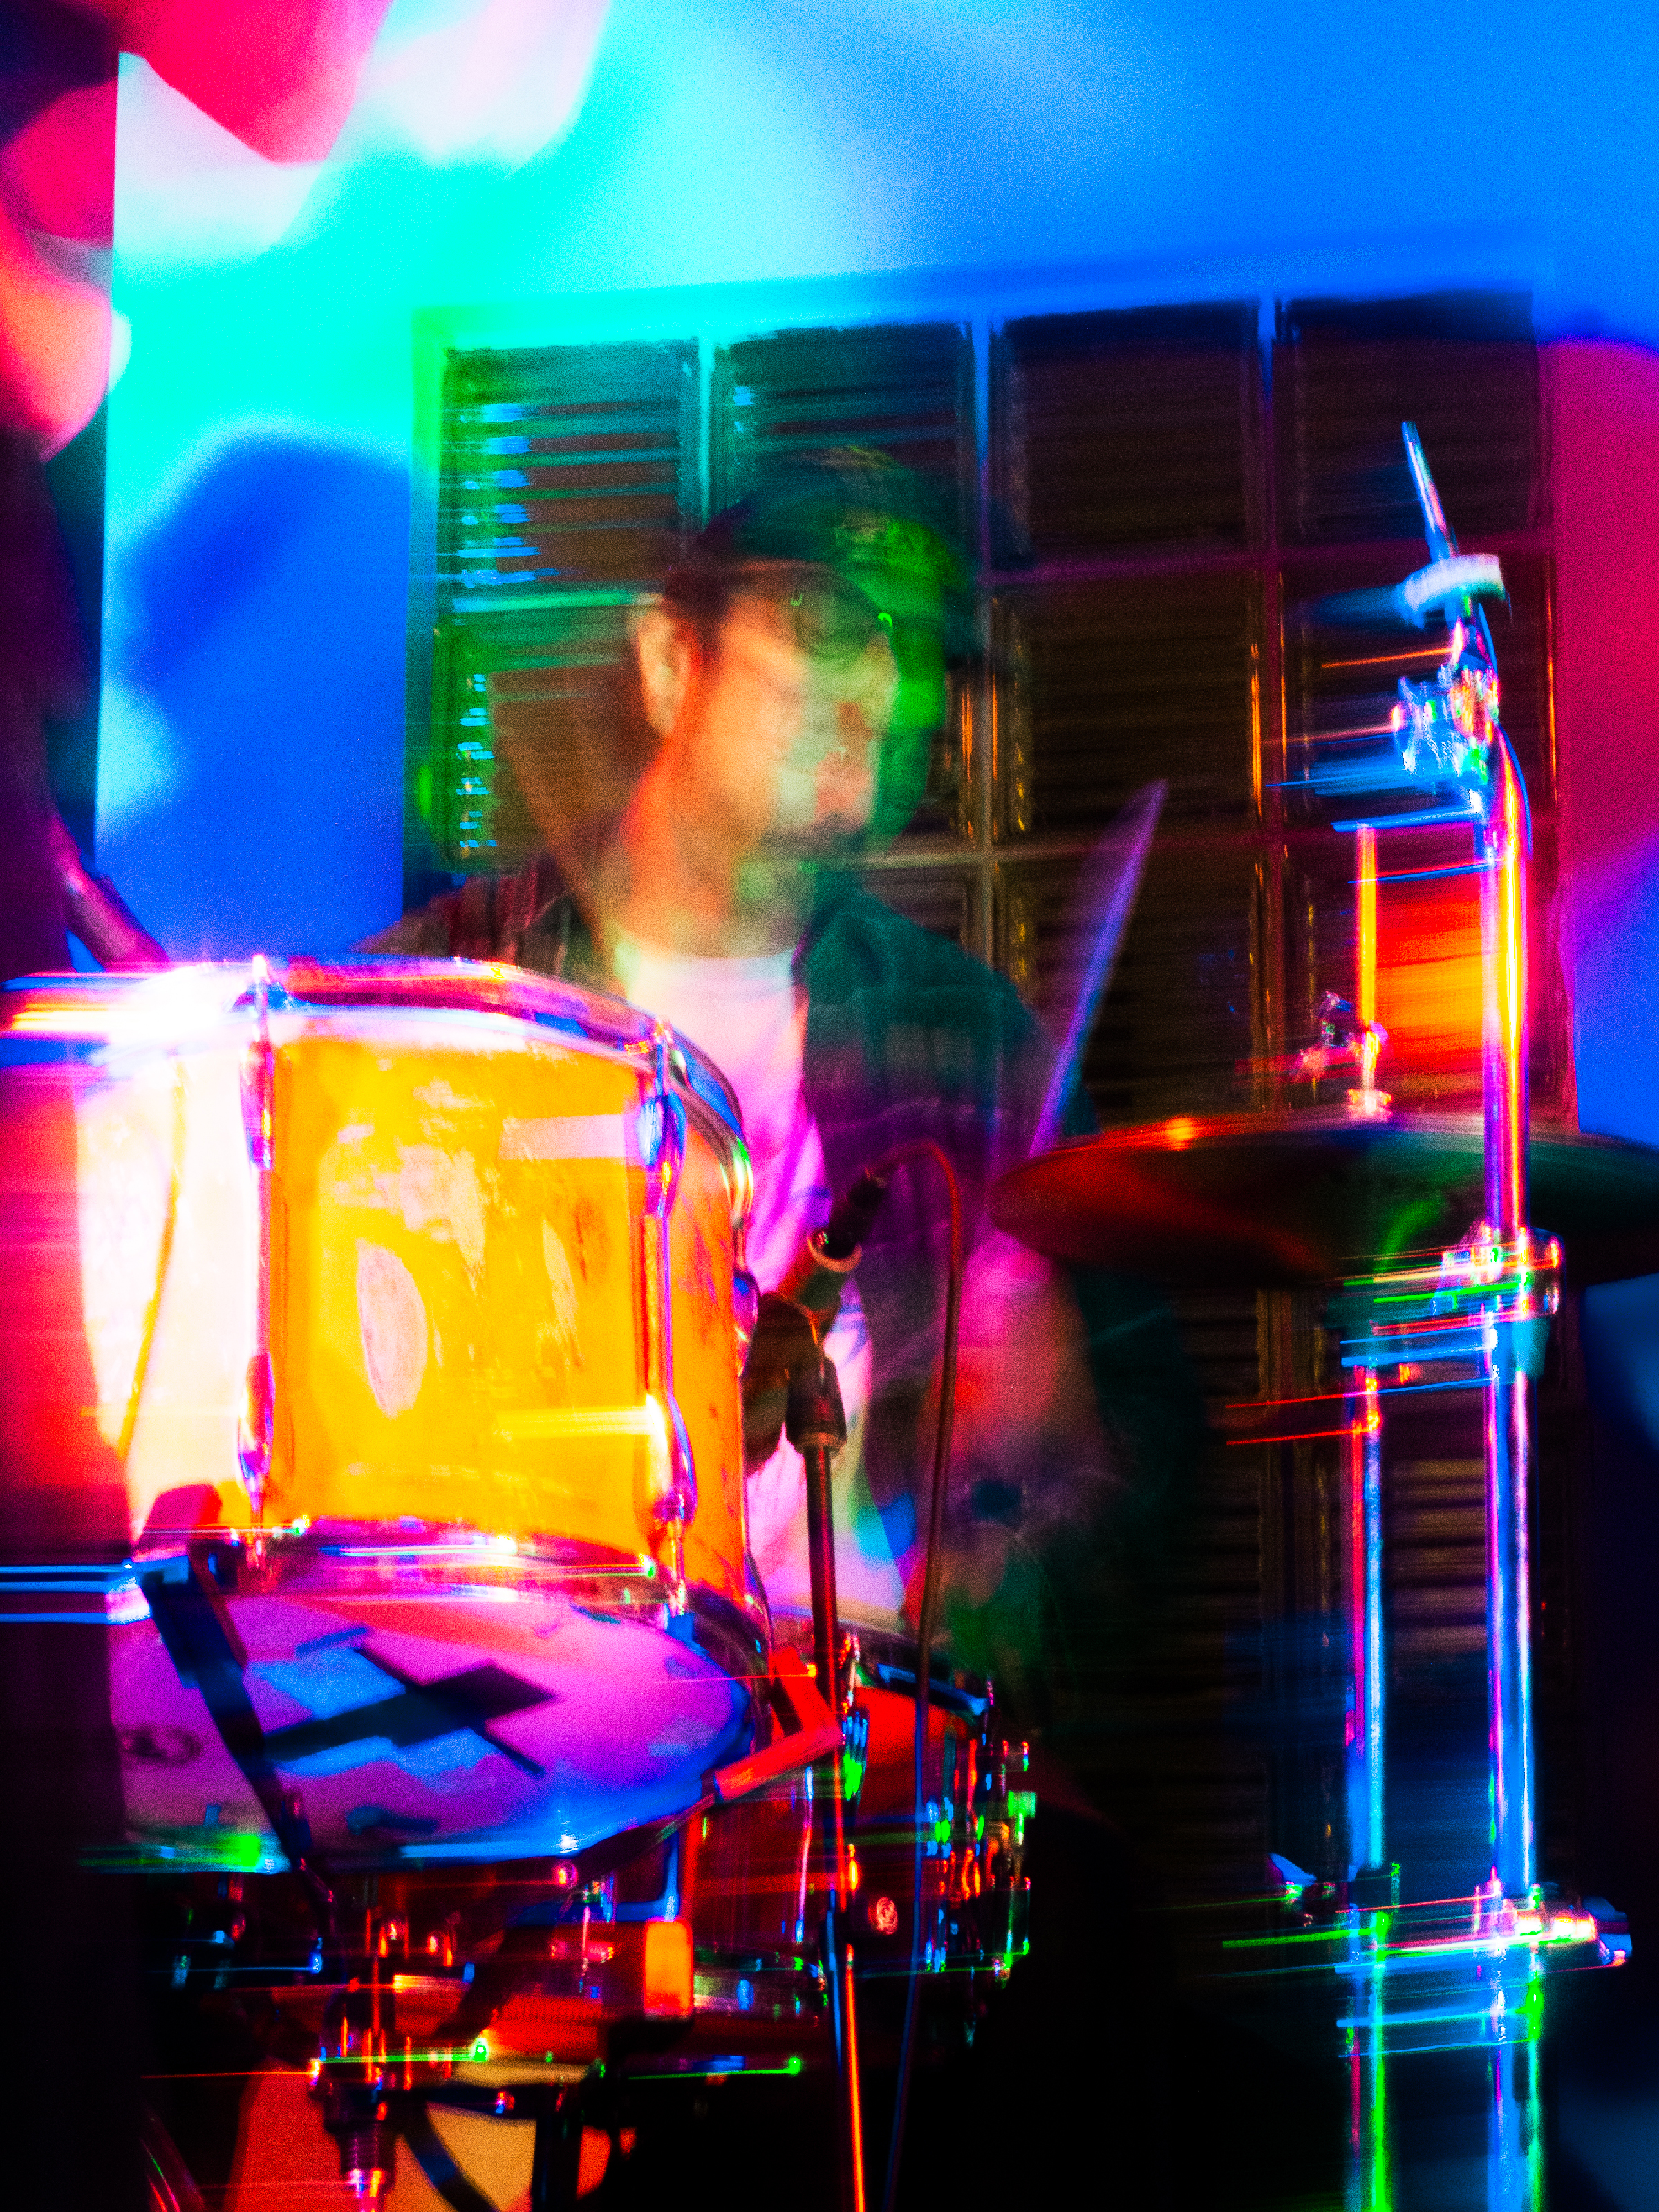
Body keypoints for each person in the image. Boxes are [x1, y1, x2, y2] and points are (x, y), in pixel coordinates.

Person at [368, 454, 1161, 1709]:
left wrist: (1020, 1522)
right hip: (529, 1762)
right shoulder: (437, 1005)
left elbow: (1123, 1508)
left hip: (862, 1788)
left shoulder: (972, 1046)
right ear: (672, 660)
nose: (890, 693)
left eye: (923, 656)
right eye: (829, 623)